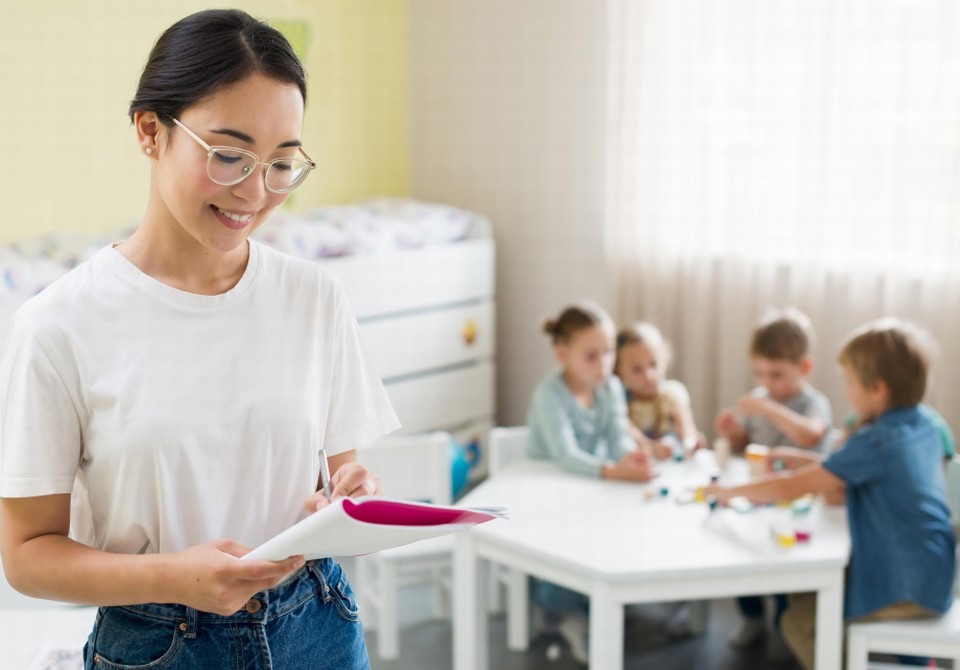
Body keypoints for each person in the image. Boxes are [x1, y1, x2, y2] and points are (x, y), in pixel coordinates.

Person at [0, 10, 399, 670]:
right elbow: (25, 556)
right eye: (229, 155)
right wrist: (172, 578)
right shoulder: (58, 324)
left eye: (281, 163)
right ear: (150, 131)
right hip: (159, 647)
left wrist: (347, 496)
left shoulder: (313, 297)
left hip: (318, 626)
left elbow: (337, 479)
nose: (254, 191)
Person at [706, 318, 956, 670]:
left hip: (904, 586)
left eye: (850, 382)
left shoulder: (876, 440)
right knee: (805, 592)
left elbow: (788, 488)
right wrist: (807, 461)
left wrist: (729, 491)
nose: (847, 391)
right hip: (935, 574)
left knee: (798, 623)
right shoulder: (923, 424)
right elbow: (857, 469)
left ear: (878, 388)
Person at [526, 302, 653, 664]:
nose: (604, 364)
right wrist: (614, 471)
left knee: (618, 525)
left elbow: (616, 438)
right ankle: (561, 608)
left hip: (586, 485)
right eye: (592, 356)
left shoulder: (610, 387)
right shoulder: (549, 394)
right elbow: (564, 454)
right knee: (568, 543)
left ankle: (596, 597)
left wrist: (631, 457)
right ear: (562, 354)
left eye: (609, 352)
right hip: (545, 490)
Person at [713, 306, 833, 659]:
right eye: (760, 373)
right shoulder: (763, 398)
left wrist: (768, 409)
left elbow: (811, 435)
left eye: (777, 374)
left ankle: (784, 626)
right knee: (741, 557)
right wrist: (731, 432)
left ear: (805, 367)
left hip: (800, 503)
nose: (767, 383)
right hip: (761, 497)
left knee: (783, 568)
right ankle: (752, 617)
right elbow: (743, 443)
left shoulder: (813, 404)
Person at [615, 321, 705, 461]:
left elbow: (686, 430)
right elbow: (628, 432)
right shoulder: (619, 399)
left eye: (654, 364)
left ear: (665, 360)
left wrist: (691, 443)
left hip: (673, 464)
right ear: (620, 371)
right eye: (637, 369)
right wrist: (651, 448)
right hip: (637, 464)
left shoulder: (673, 393)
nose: (648, 376)